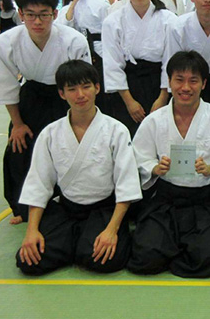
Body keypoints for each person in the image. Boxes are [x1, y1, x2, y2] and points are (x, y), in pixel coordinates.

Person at [16, 60, 142, 275]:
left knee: (106, 261)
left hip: (103, 209)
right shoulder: (50, 133)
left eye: (86, 87)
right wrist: (31, 231)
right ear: (62, 94)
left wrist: (112, 230)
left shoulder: (116, 130)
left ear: (97, 88)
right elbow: (39, 184)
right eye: (72, 89)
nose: (80, 95)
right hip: (66, 209)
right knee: (29, 262)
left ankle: (78, 245)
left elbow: (126, 183)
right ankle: (77, 244)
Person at [127, 51, 210, 278]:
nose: (186, 87)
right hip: (166, 200)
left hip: (205, 200)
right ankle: (171, 245)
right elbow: (139, 157)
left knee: (209, 259)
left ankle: (178, 247)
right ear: (169, 82)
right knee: (145, 257)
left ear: (204, 83)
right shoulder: (154, 120)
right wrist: (155, 168)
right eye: (179, 80)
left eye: (193, 80)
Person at [0, 0, 91, 224]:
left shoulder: (73, 40)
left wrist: (82, 118)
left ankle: (67, 201)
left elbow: (83, 81)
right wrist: (17, 123)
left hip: (65, 98)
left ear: (54, 14)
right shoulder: (7, 42)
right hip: (31, 98)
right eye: (30, 14)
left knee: (67, 150)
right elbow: (7, 85)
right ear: (21, 14)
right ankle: (23, 207)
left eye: (44, 14)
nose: (37, 21)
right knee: (20, 148)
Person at [102, 0, 175, 137]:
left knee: (160, 137)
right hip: (126, 88)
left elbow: (170, 61)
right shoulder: (112, 22)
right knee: (127, 137)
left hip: (159, 85)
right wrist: (129, 102)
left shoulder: (169, 20)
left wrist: (163, 98)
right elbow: (112, 65)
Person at [72, 0, 113, 113]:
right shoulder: (102, 3)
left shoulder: (78, 2)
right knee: (102, 89)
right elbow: (110, 29)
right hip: (101, 51)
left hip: (83, 49)